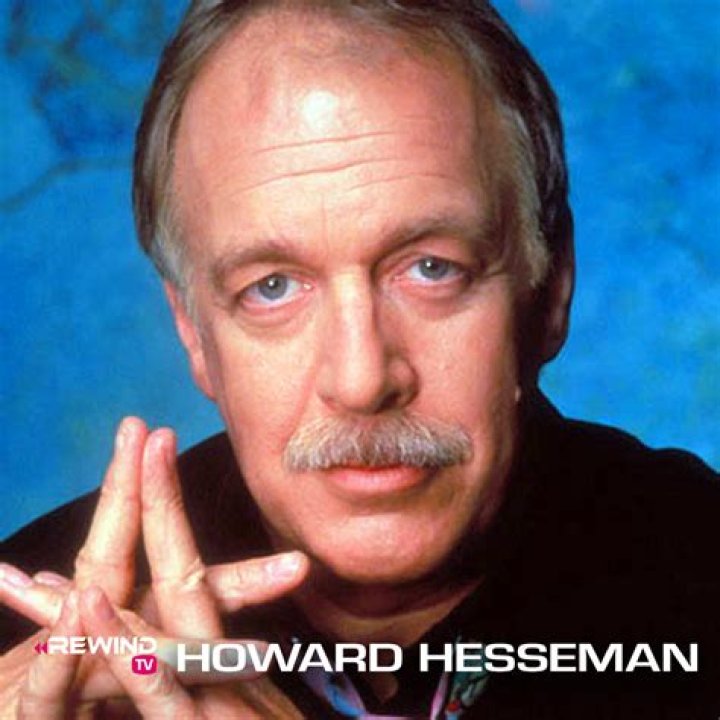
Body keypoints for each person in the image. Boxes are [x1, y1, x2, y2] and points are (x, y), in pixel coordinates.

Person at [1, 1, 717, 717]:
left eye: (432, 268)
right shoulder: (24, 635)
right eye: (271, 287)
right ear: (193, 331)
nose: (362, 379)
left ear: (551, 288)